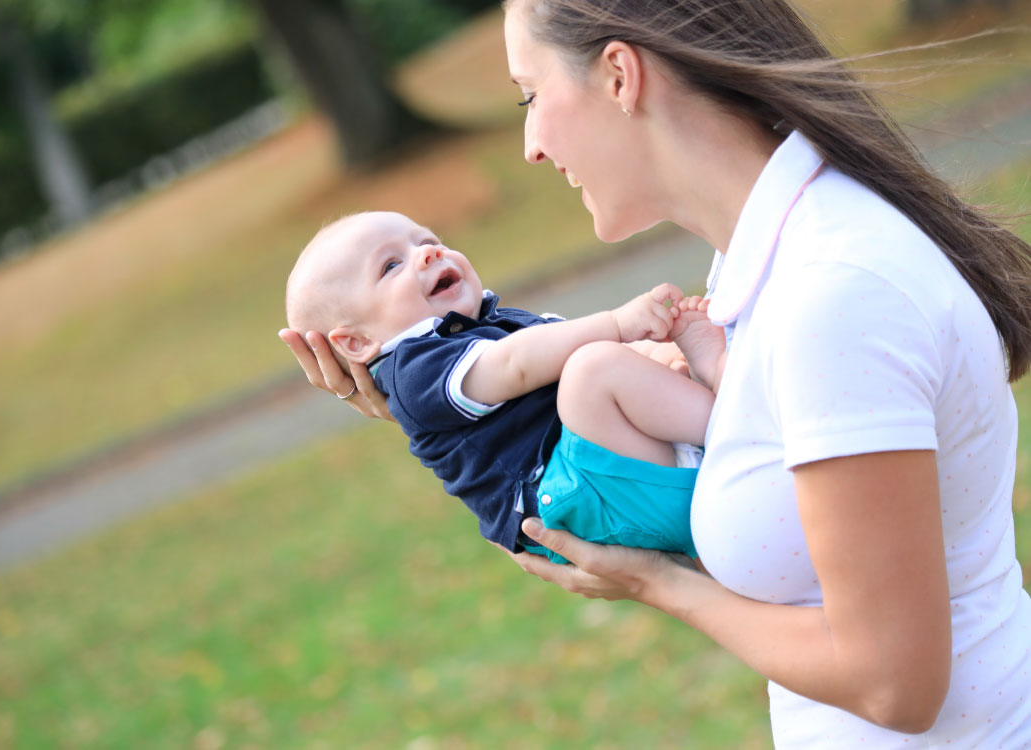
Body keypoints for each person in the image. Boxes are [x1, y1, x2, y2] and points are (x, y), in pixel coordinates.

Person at [279, 0, 1031, 745]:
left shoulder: (830, 291)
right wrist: (422, 402)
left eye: (529, 96)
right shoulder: (758, 264)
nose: (530, 144)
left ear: (618, 76)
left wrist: (658, 584)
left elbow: (892, 685)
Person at [284, 210, 724, 562]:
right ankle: (731, 418)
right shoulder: (414, 372)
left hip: (601, 466)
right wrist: (618, 323)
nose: (428, 254)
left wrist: (651, 352)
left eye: (427, 240)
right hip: (563, 499)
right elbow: (513, 365)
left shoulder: (494, 323)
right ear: (358, 342)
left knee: (623, 361)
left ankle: (702, 381)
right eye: (391, 265)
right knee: (593, 367)